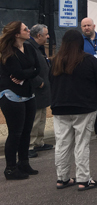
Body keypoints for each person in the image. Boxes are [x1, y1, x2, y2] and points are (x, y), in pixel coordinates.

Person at [50, 29, 97, 190]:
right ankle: (84, 179)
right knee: (81, 144)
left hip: (60, 107)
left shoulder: (55, 61)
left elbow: (51, 83)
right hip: (84, 107)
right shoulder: (89, 60)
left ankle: (62, 178)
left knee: (62, 144)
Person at [0, 21, 40, 180]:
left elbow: (37, 68)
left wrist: (25, 74)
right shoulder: (7, 52)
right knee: (15, 132)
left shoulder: (29, 47)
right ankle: (10, 168)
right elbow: (16, 72)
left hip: (28, 93)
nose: (28, 30)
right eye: (25, 29)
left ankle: (24, 162)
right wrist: (26, 73)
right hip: (11, 95)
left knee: (26, 131)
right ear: (17, 34)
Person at [26, 24, 53, 158]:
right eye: (46, 34)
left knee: (42, 117)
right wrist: (39, 82)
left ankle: (38, 142)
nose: (48, 36)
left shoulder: (38, 48)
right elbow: (28, 68)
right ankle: (29, 145)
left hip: (43, 90)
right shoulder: (29, 48)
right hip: (36, 89)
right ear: (39, 35)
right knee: (35, 119)